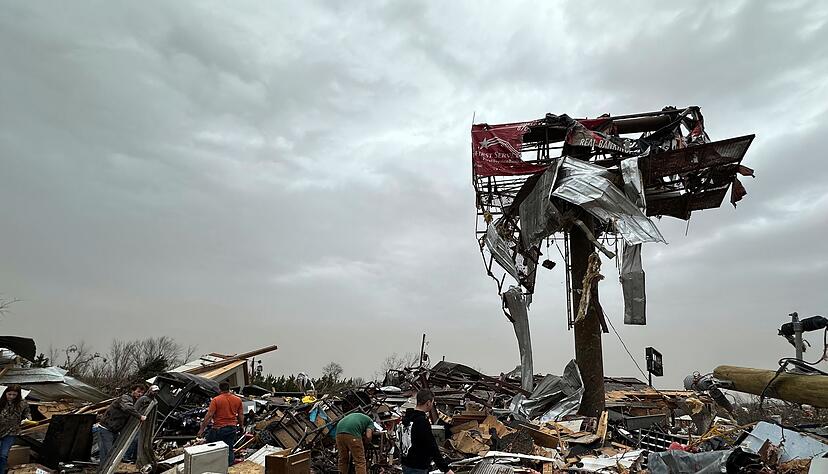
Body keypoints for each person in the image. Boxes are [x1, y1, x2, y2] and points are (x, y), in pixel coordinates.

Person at [401, 390, 453, 474]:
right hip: (418, 467)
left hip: (406, 464)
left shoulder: (408, 418)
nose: (432, 405)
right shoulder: (421, 421)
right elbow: (431, 446)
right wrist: (446, 469)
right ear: (428, 403)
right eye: (432, 402)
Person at [99, 383, 147, 469]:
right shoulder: (125, 398)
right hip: (106, 428)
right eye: (138, 392)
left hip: (115, 430)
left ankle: (107, 469)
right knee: (107, 453)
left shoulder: (135, 402)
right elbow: (127, 408)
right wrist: (140, 416)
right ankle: (103, 470)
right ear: (132, 391)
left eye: (142, 393)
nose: (140, 394)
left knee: (113, 454)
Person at [197, 382, 243, 465]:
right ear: (229, 389)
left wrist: (201, 429)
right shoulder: (238, 400)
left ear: (220, 389)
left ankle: (211, 466)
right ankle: (229, 467)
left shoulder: (216, 400)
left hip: (219, 429)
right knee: (229, 449)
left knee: (210, 446)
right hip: (232, 428)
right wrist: (241, 426)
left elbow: (209, 415)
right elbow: (240, 415)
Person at [0, 385, 31, 474]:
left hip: (11, 432)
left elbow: (27, 413)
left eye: (14, 395)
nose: (11, 397)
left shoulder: (22, 403)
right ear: (5, 393)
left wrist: (28, 419)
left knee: (3, 455)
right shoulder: (1, 402)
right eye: (9, 394)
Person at [124, 385, 160, 462]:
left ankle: (135, 457)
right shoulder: (143, 399)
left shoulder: (155, 401)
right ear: (150, 390)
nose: (155, 393)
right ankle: (126, 457)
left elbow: (155, 413)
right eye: (154, 391)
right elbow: (135, 409)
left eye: (156, 391)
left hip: (148, 423)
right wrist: (136, 419)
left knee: (142, 441)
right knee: (135, 439)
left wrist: (155, 422)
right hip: (139, 422)